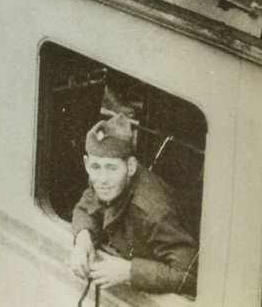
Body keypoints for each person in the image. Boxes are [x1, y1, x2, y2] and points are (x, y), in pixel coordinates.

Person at [68, 113, 198, 296]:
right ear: (87, 165)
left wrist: (129, 271)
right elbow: (86, 204)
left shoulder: (154, 211)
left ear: (130, 167)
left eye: (112, 168)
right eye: (96, 167)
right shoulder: (105, 182)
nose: (102, 179)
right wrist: (83, 238)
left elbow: (189, 274)